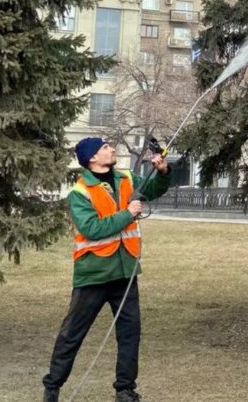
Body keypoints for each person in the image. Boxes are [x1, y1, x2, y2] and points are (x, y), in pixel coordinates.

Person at [42, 137, 171, 402]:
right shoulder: (80, 193)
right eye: (104, 148)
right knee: (72, 334)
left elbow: (153, 189)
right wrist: (128, 213)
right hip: (94, 274)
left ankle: (125, 390)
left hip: (126, 271)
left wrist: (162, 172)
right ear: (91, 158)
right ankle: (52, 388)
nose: (111, 149)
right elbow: (91, 228)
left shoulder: (125, 177)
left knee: (130, 335)